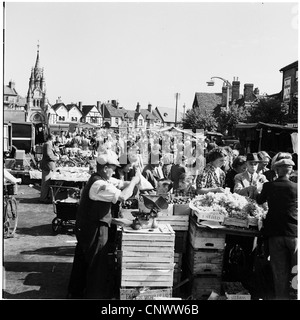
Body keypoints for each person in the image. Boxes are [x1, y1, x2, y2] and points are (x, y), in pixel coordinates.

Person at [67, 150, 141, 299]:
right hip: (93, 228)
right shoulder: (99, 184)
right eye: (113, 168)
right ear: (105, 167)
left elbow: (120, 184)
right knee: (97, 264)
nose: (114, 171)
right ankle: (95, 295)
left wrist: (136, 182)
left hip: (89, 225)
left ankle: (76, 292)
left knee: (82, 261)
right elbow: (122, 196)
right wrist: (134, 180)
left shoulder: (100, 179)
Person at [256, 157, 297, 300]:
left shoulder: (269, 186)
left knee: (280, 272)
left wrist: (256, 191)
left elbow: (260, 201)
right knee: (297, 270)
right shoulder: (297, 187)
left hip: (275, 233)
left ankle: (282, 297)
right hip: (294, 232)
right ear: (290, 171)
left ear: (276, 170)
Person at [40, 134, 59, 204]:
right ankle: (43, 198)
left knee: (46, 182)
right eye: (54, 138)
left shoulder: (48, 144)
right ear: (52, 138)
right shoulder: (48, 144)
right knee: (45, 183)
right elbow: (48, 155)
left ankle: (45, 197)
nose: (55, 139)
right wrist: (56, 158)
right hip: (47, 166)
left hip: (48, 165)